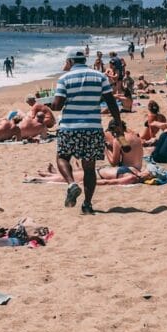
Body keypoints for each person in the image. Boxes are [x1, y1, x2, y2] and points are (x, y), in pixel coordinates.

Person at [47, 51, 125, 215]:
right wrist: (118, 123)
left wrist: (50, 104)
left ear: (70, 61)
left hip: (70, 128)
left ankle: (71, 183)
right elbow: (111, 102)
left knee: (62, 157)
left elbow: (57, 106)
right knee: (89, 168)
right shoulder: (100, 77)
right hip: (93, 128)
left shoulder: (64, 78)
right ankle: (87, 204)